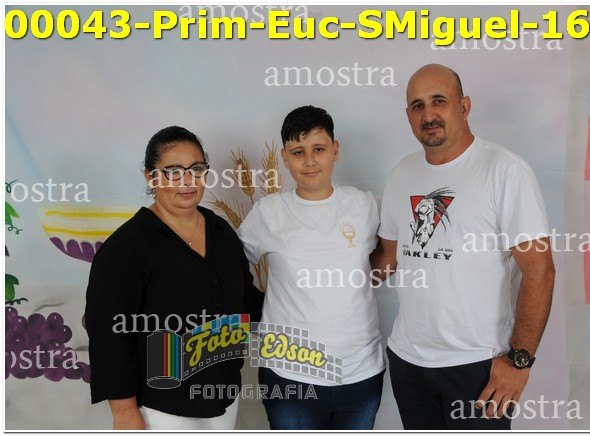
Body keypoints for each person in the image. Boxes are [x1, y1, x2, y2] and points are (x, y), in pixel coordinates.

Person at [371, 64, 556, 430]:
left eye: (438, 101)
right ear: (408, 115)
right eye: (418, 106)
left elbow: (541, 271)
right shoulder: (401, 174)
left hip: (478, 367)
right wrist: (324, 258)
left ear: (464, 106)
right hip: (408, 362)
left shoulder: (505, 170)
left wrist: (520, 362)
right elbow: (387, 261)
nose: (428, 115)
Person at [85, 126, 264, 430]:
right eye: (173, 172)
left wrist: (298, 305)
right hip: (162, 406)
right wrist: (124, 411)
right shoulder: (127, 248)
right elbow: (109, 336)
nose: (187, 181)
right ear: (151, 177)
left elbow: (244, 298)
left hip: (223, 396)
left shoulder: (221, 232)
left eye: (196, 169)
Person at [237, 106, 385, 430]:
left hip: (360, 372)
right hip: (289, 375)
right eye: (298, 152)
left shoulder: (366, 205)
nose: (309, 161)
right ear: (284, 157)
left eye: (319, 149)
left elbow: (393, 252)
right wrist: (258, 308)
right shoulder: (268, 212)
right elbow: (229, 267)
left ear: (335, 150)